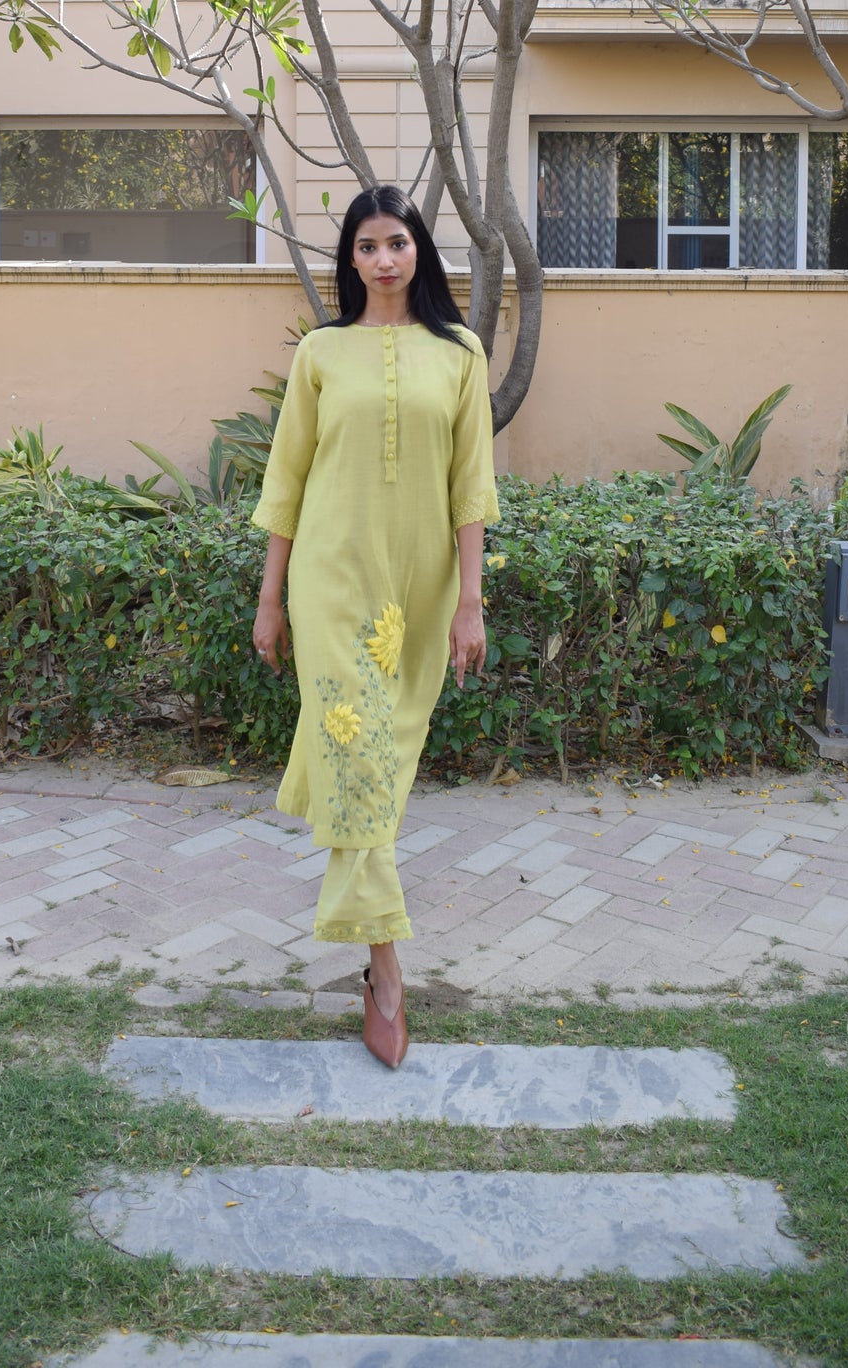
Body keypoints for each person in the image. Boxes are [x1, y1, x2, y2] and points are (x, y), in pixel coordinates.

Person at [250, 185, 499, 1067]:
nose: (383, 259)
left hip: (422, 591)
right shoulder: (321, 354)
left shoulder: (458, 352)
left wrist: (470, 600)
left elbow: (471, 488)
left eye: (397, 243)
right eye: (366, 247)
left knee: (383, 767)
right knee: (358, 761)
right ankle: (384, 973)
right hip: (328, 581)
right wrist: (270, 596)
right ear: (349, 261)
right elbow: (285, 481)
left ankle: (372, 955)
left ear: (419, 252)